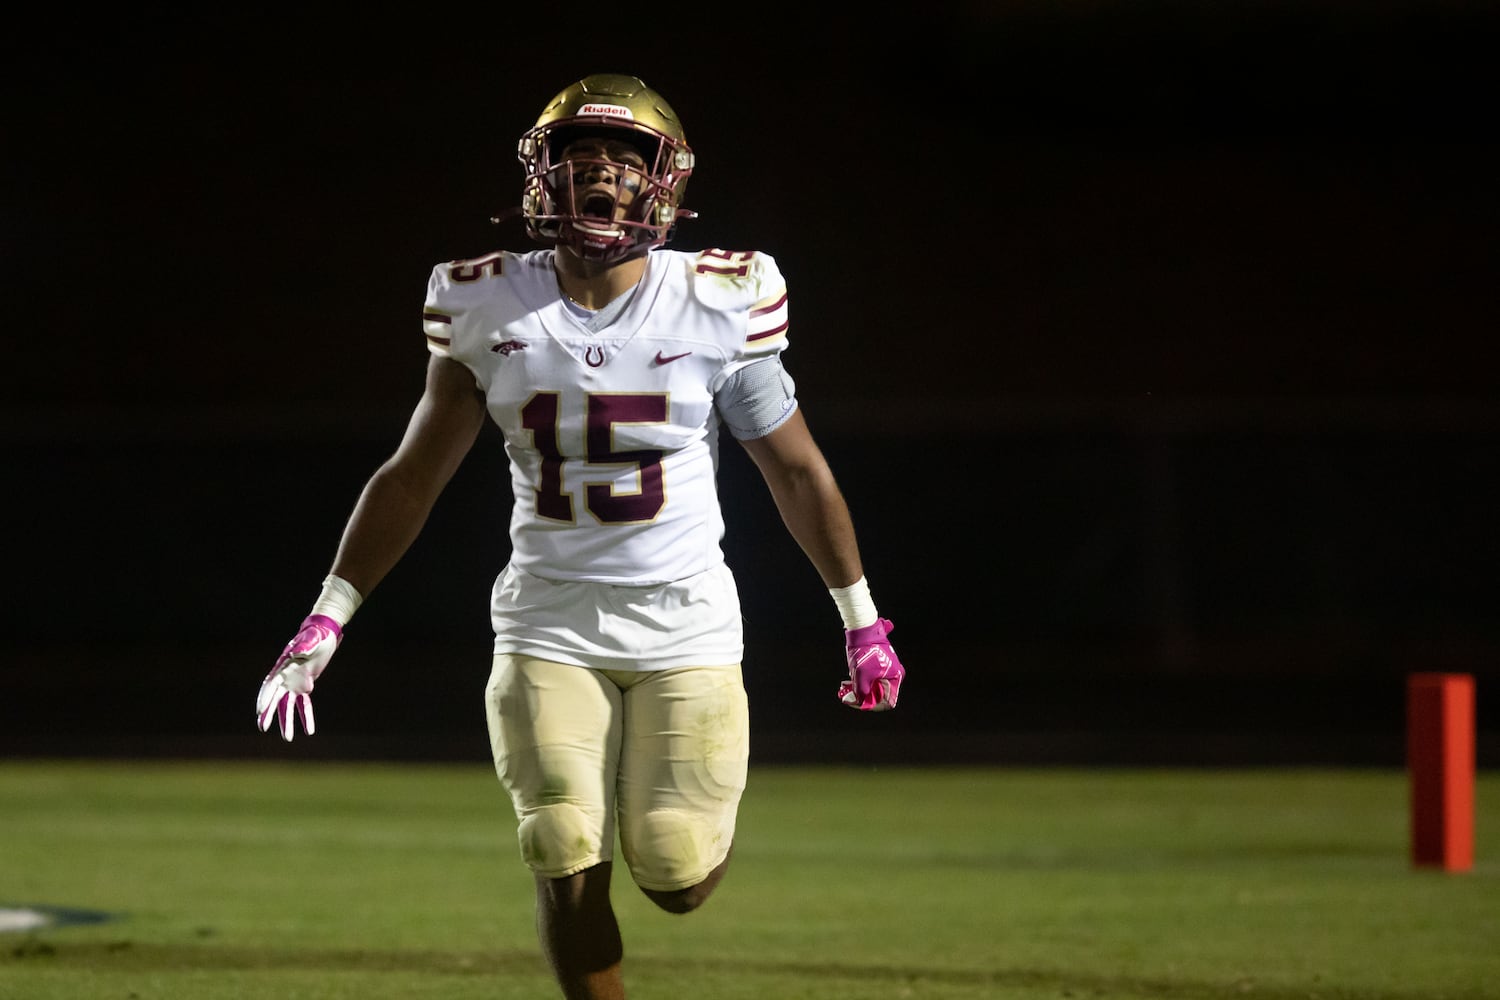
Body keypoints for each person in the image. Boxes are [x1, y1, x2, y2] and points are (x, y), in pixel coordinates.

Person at [255, 72, 905, 1000]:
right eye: (579, 157)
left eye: (626, 158)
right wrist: (327, 619)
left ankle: (682, 832)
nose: (601, 172)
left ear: (664, 183)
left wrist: (863, 620)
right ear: (540, 177)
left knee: (675, 872)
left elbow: (795, 469)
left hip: (686, 622)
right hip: (548, 619)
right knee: (560, 839)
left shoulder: (721, 299)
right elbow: (413, 474)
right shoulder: (485, 303)